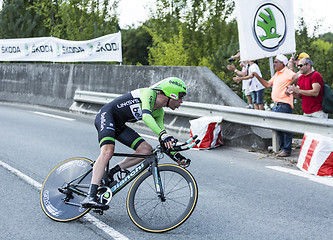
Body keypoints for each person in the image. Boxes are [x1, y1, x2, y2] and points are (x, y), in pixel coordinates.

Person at [81, 77, 188, 209]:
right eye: (180, 97)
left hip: (119, 125)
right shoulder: (149, 94)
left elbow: (162, 136)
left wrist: (177, 156)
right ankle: (90, 196)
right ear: (171, 93)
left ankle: (111, 172)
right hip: (106, 116)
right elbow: (146, 116)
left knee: (146, 150)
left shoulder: (159, 112)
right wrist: (163, 135)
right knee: (108, 151)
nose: (181, 101)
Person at [253, 54, 298, 157]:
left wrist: (289, 86)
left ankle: (286, 150)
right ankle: (283, 149)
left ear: (282, 63)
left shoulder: (287, 72)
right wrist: (257, 76)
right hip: (277, 104)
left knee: (285, 128)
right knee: (278, 128)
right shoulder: (277, 74)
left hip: (284, 104)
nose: (274, 64)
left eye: (276, 62)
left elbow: (296, 76)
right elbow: (268, 84)